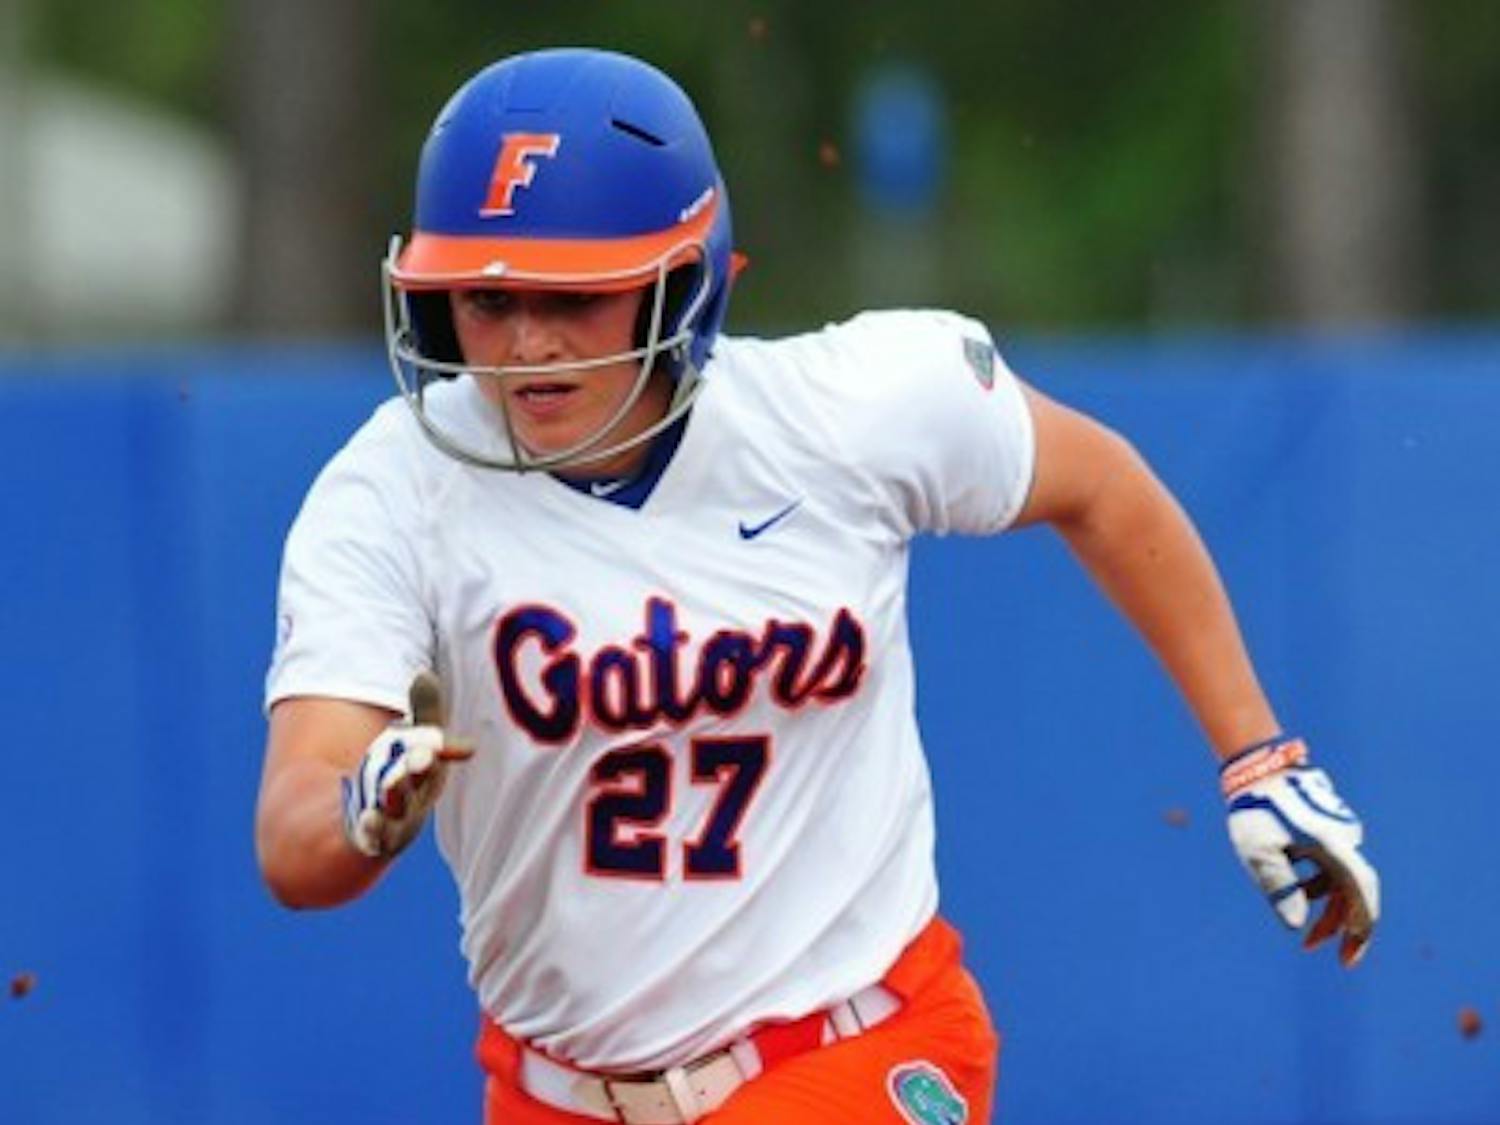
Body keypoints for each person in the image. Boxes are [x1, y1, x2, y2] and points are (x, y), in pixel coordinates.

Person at [254, 47, 1379, 1125]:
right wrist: (363, 813)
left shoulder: (848, 411)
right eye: (486, 303)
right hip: (553, 1087)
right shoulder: (392, 487)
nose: (526, 345)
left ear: (681, 284)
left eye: (575, 296)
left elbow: (1103, 486)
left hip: (857, 1043)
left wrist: (1259, 756)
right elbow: (294, 844)